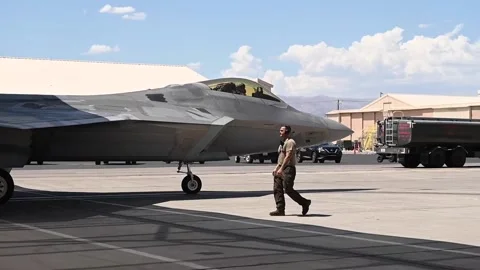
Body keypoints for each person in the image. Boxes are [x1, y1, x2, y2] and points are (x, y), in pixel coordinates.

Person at [270, 125, 311, 216]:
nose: (280, 132)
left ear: (287, 132)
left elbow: (288, 156)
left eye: (281, 130)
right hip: (281, 168)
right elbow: (281, 157)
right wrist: (276, 168)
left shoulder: (290, 142)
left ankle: (304, 203)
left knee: (288, 188)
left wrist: (281, 169)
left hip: (288, 169)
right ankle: (280, 209)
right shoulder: (283, 143)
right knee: (277, 188)